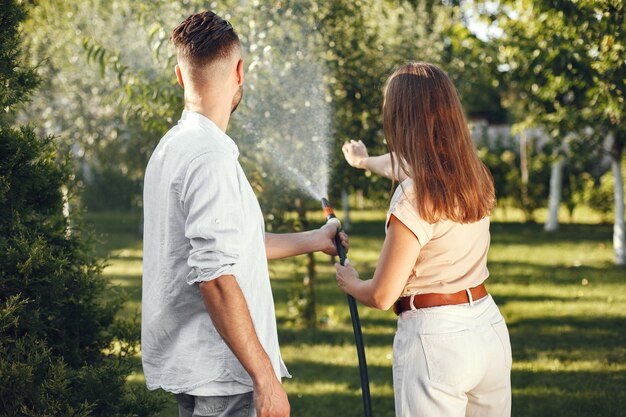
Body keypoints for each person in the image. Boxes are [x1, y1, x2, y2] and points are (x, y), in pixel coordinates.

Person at [142, 11, 347, 417]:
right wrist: (265, 378)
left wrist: (315, 239)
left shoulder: (174, 147)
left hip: (202, 368)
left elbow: (233, 248)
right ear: (239, 71)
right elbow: (215, 277)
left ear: (180, 78)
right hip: (225, 375)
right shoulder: (209, 157)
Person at [336, 62, 512, 417]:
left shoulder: (415, 198)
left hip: (437, 341)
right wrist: (365, 162)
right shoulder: (472, 175)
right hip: (487, 327)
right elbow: (405, 164)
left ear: (400, 118)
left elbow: (383, 295)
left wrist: (351, 281)